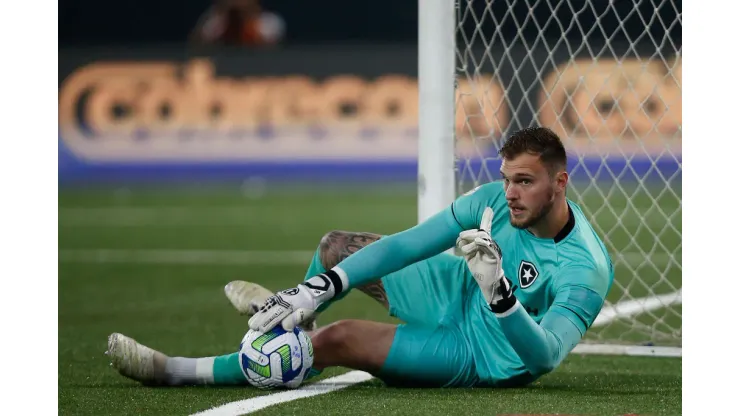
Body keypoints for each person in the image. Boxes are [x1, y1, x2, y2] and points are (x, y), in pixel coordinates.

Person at [107, 127, 613, 388]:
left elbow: (543, 357)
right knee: (338, 250)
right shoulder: (491, 201)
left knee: (341, 337)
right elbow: (407, 244)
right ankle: (294, 332)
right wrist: (320, 286)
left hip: (483, 354)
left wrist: (500, 297)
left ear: (559, 182)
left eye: (524, 181)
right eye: (506, 179)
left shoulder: (585, 267)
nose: (510, 194)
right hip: (455, 292)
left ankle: (177, 370)